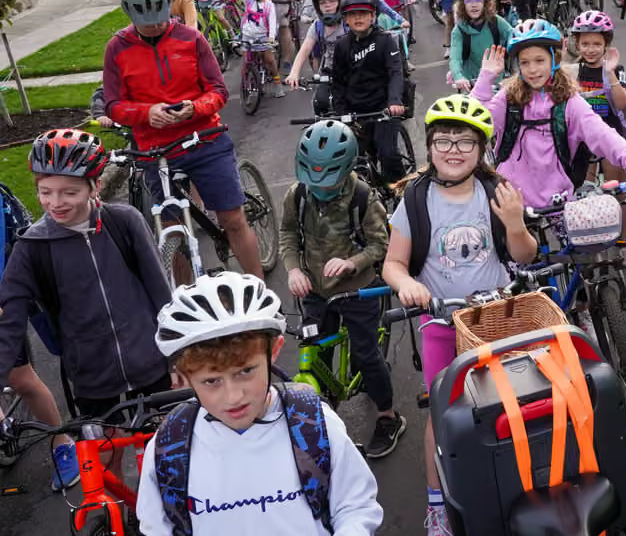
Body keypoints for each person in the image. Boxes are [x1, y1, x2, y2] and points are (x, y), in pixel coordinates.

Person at [381, 96, 538, 536]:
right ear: (429, 147)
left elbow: (524, 255)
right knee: (442, 416)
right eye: (444, 140)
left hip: (498, 316)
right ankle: (436, 504)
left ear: (480, 150)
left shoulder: (495, 193)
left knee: (517, 401)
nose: (454, 149)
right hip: (441, 323)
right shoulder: (415, 199)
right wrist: (407, 284)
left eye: (466, 142)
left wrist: (515, 223)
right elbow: (393, 262)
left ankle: (522, 479)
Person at [138, 271, 382, 535]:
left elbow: (355, 505)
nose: (233, 396)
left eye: (245, 371)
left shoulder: (311, 422)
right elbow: (156, 528)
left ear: (274, 351)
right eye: (211, 381)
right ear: (184, 377)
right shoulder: (170, 446)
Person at [0, 129, 171, 490]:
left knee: (162, 453)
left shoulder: (124, 222)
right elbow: (10, 318)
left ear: (95, 186)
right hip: (91, 374)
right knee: (105, 456)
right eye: (45, 192)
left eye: (69, 192)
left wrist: (181, 357)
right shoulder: (31, 247)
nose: (55, 203)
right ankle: (125, 513)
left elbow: (162, 295)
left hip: (151, 361)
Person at [103, 0, 264, 282]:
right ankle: (188, 301)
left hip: (204, 139)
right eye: (146, 22)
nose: (155, 25)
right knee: (173, 230)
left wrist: (194, 108)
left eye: (160, 16)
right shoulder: (117, 48)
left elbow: (217, 91)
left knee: (232, 219)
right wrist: (146, 113)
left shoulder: (191, 38)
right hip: (157, 151)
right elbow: (113, 104)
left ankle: (262, 292)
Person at [282, 120, 405, 458]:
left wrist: (353, 262)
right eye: (314, 181)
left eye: (330, 182)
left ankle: (388, 415)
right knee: (316, 352)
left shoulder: (364, 198)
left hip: (356, 291)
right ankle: (325, 416)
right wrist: (293, 269)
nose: (320, 189)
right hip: (314, 292)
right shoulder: (297, 195)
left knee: (366, 355)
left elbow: (381, 245)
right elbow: (288, 236)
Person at [469, 20, 626, 209]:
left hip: (558, 201)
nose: (532, 70)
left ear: (554, 59)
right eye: (524, 62)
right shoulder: (508, 97)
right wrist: (485, 78)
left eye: (539, 60)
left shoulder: (569, 101)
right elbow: (472, 124)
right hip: (512, 201)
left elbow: (603, 135)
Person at [564, 10, 626, 266]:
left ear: (606, 44)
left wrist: (609, 74)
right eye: (585, 43)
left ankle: (625, 242)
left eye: (596, 44)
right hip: (583, 143)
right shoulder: (572, 72)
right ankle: (591, 239)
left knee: (619, 191)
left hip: (611, 138)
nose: (590, 49)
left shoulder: (615, 70)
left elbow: (622, 105)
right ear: (577, 44)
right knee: (584, 193)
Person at [329, 0, 407, 184]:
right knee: (357, 161)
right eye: (352, 14)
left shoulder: (386, 40)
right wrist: (340, 113)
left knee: (387, 153)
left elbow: (395, 73)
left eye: (363, 13)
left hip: (384, 108)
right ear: (344, 19)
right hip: (355, 113)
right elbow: (337, 82)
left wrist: (394, 101)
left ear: (373, 16)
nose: (358, 18)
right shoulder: (341, 46)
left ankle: (403, 193)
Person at [286, 0, 347, 114]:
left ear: (340, 2)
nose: (327, 5)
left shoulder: (348, 22)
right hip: (329, 70)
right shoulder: (318, 26)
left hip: (353, 69)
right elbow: (305, 50)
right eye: (322, 2)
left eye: (331, 1)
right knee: (319, 102)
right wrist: (294, 73)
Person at [449, 0, 513, 89]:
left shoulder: (495, 21)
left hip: (497, 82)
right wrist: (458, 76)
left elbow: (513, 37)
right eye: (469, 1)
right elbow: (455, 58)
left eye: (478, 0)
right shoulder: (459, 30)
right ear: (462, 5)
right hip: (472, 83)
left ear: (485, 3)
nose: (474, 5)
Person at [239, 0, 284, 97]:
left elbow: (272, 21)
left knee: (269, 60)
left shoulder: (268, 4)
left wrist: (271, 37)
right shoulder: (247, 0)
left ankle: (277, 82)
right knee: (247, 61)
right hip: (247, 36)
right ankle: (251, 83)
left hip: (263, 36)